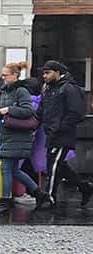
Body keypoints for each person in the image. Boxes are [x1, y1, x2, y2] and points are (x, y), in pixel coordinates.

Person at [37, 59, 91, 209]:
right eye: (44, 73)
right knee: (59, 165)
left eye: (47, 73)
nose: (44, 76)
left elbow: (75, 112)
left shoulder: (68, 88)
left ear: (58, 73)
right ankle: (84, 187)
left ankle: (50, 198)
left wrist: (60, 127)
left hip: (62, 134)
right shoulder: (47, 88)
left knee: (53, 166)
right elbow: (42, 110)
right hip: (52, 133)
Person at [0, 62, 45, 211]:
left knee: (5, 169)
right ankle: (39, 194)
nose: (2, 78)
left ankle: (4, 202)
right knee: (14, 171)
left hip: (17, 136)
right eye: (2, 75)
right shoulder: (5, 91)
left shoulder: (21, 91)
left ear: (15, 75)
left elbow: (27, 111)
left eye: (5, 75)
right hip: (8, 135)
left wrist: (8, 109)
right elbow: (7, 114)